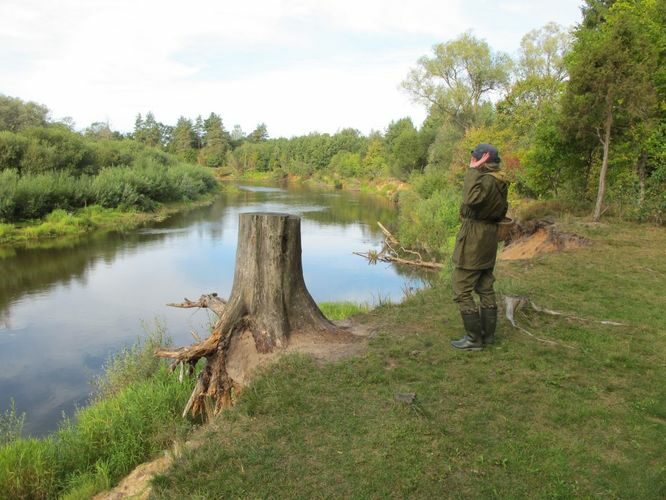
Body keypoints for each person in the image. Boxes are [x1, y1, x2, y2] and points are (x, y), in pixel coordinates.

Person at [450, 143, 509, 351]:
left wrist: (473, 170)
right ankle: (488, 336)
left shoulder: (487, 180)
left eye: (476, 158)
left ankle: (474, 339)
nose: (473, 160)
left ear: (484, 159)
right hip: (488, 239)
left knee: (461, 289)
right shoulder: (500, 180)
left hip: (475, 240)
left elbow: (470, 199)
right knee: (484, 286)